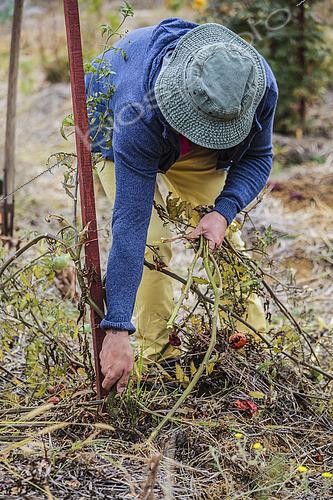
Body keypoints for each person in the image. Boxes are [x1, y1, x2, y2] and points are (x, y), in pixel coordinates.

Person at [85, 18, 278, 394]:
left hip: (193, 151)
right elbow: (130, 223)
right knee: (152, 242)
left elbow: (259, 156)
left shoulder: (257, 84)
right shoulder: (135, 109)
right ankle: (151, 352)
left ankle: (250, 342)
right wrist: (116, 325)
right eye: (194, 123)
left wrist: (224, 211)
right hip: (120, 124)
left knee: (224, 239)